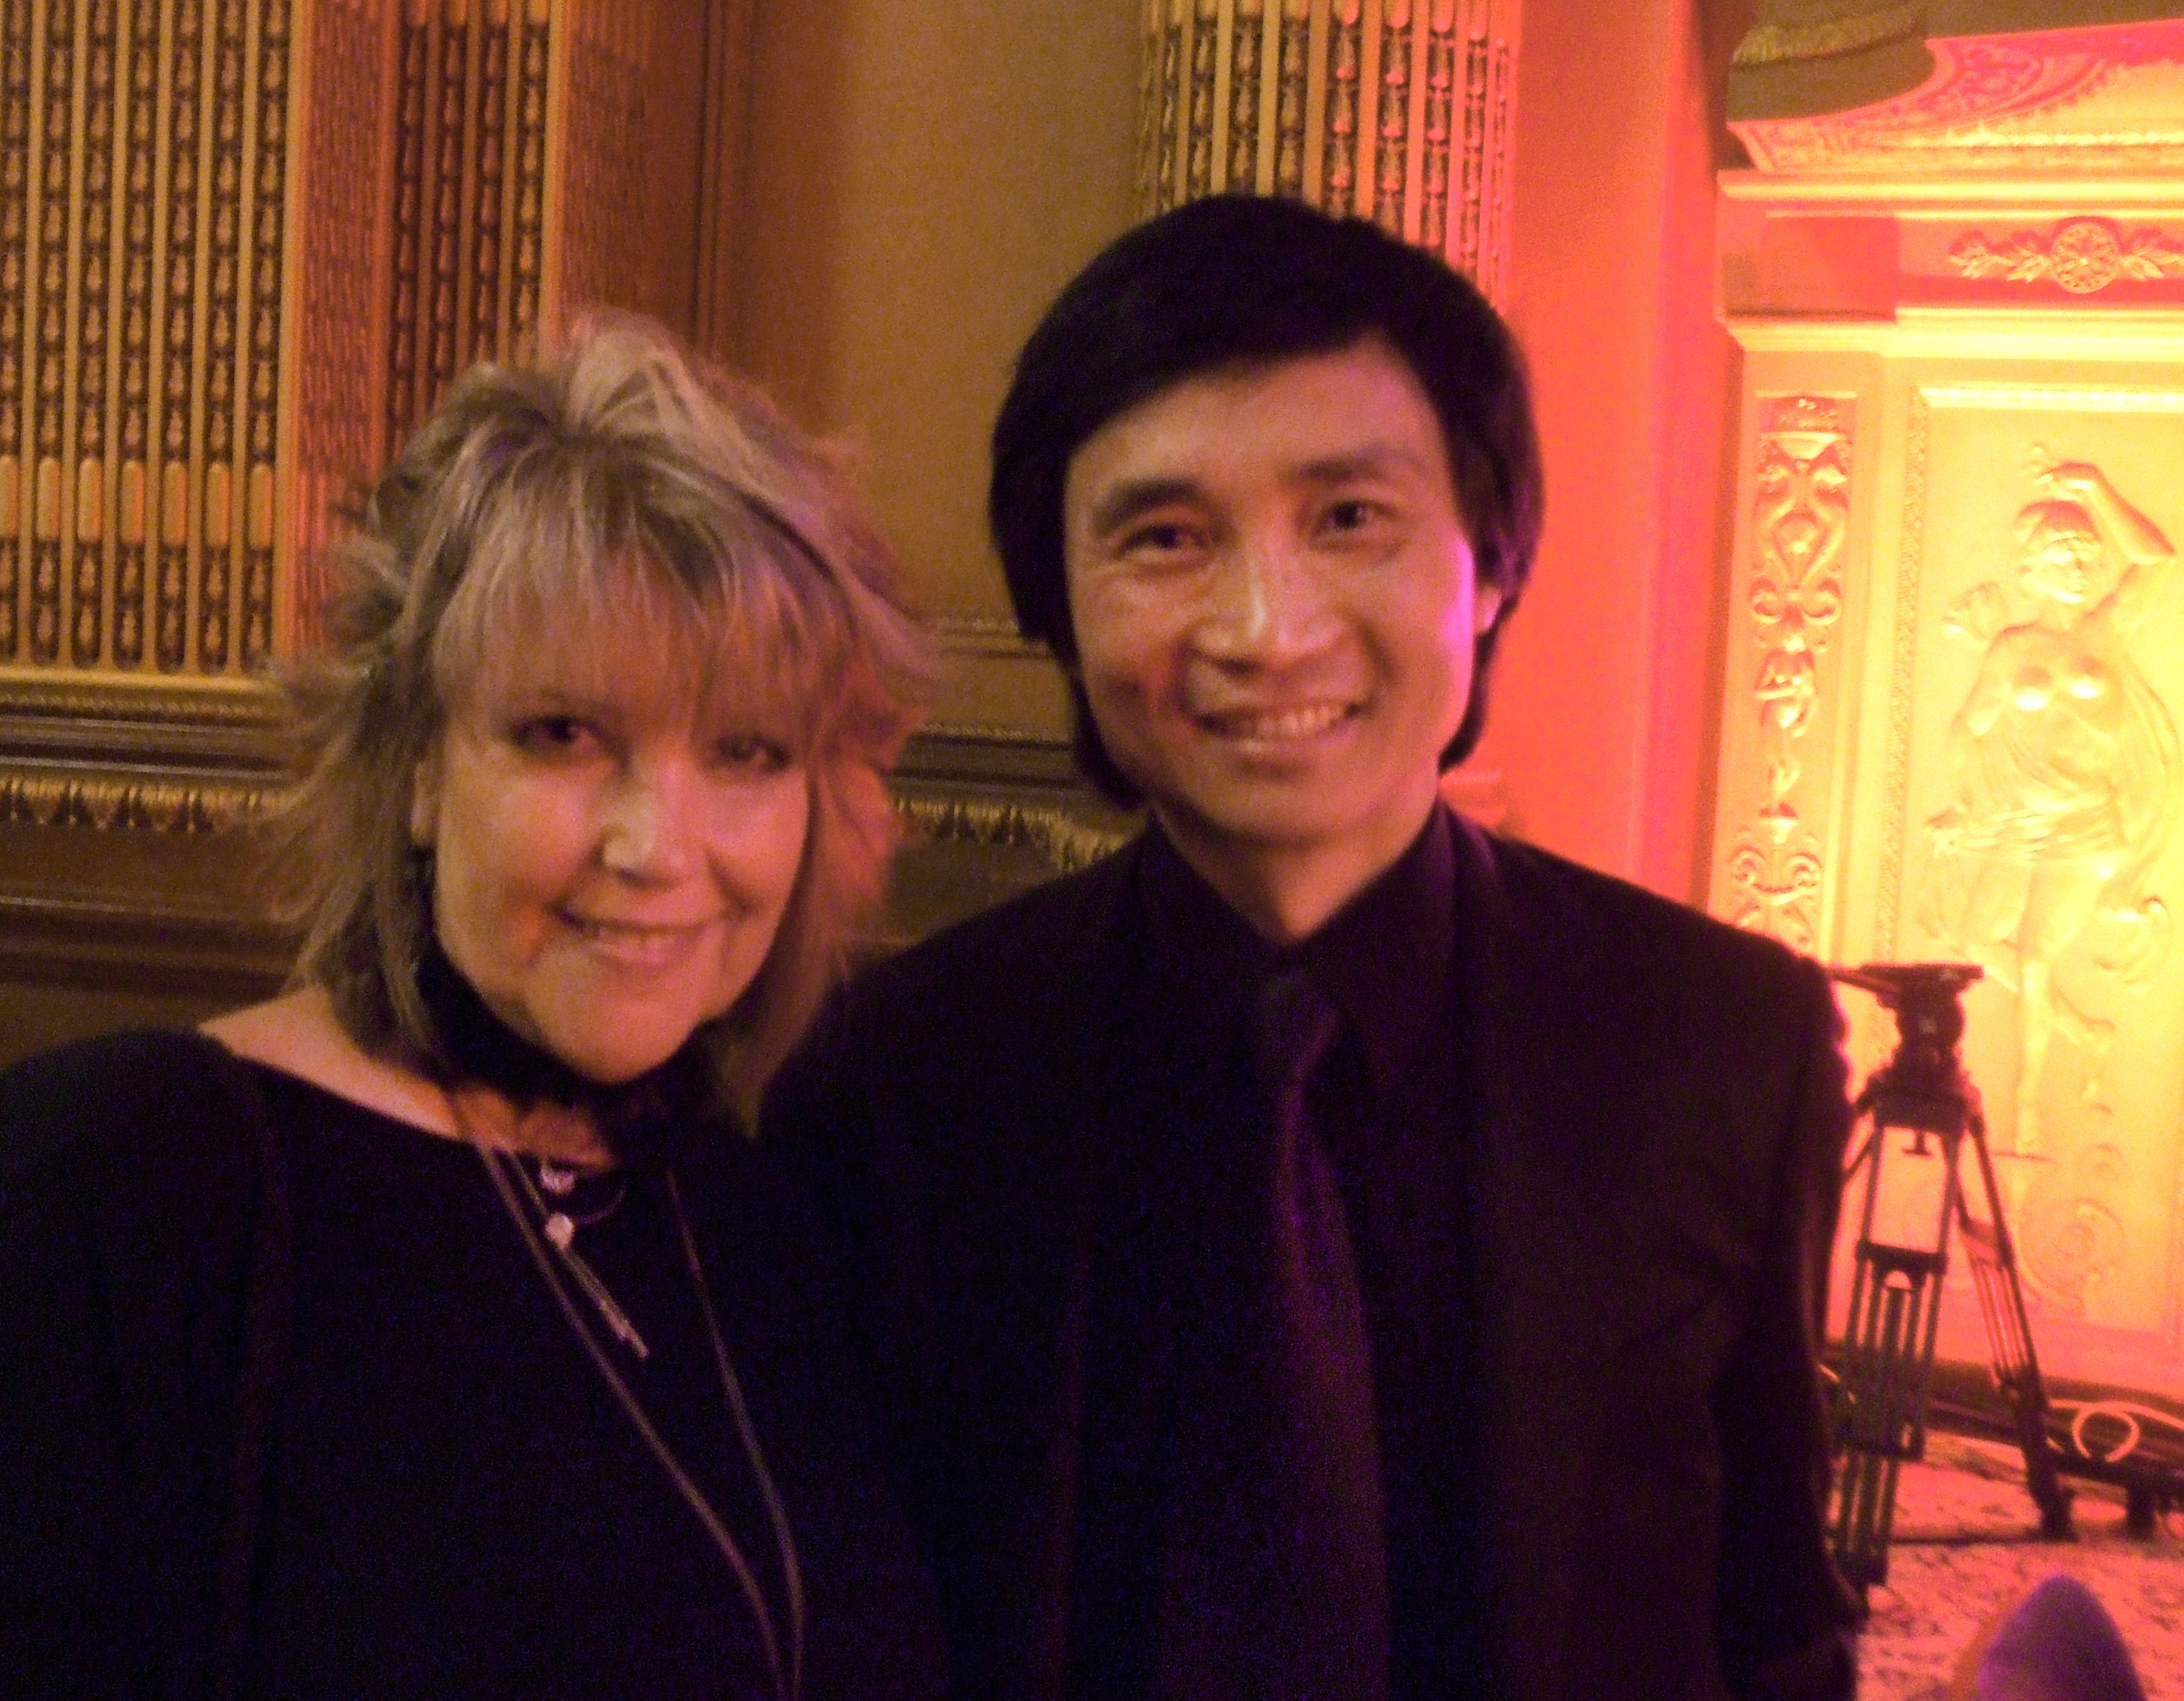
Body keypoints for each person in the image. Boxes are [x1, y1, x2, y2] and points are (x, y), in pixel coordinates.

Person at [765, 195, 1860, 1700]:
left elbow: (1774, 1619)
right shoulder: (896, 1080)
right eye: (1164, 536)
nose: (1268, 628)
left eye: (1349, 518)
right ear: (1061, 609)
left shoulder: (1718, 1043)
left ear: (1490, 564)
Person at [0, 318, 948, 1700]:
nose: (657, 847)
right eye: (563, 733)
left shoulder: (759, 1212)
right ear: (416, 770)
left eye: (746, 749)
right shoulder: (127, 1182)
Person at [1923, 452, 2179, 1159]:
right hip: (2017, 825)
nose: (2081, 562)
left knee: (2034, 960)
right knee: (1972, 933)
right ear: (2033, 565)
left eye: (2086, 551)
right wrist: (1964, 809)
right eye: (2064, 552)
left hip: (2087, 828)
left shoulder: (2106, 632)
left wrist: (2097, 491)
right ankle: (2078, 1028)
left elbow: (2158, 561)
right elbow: (1967, 729)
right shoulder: (2012, 650)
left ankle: (2026, 1120)